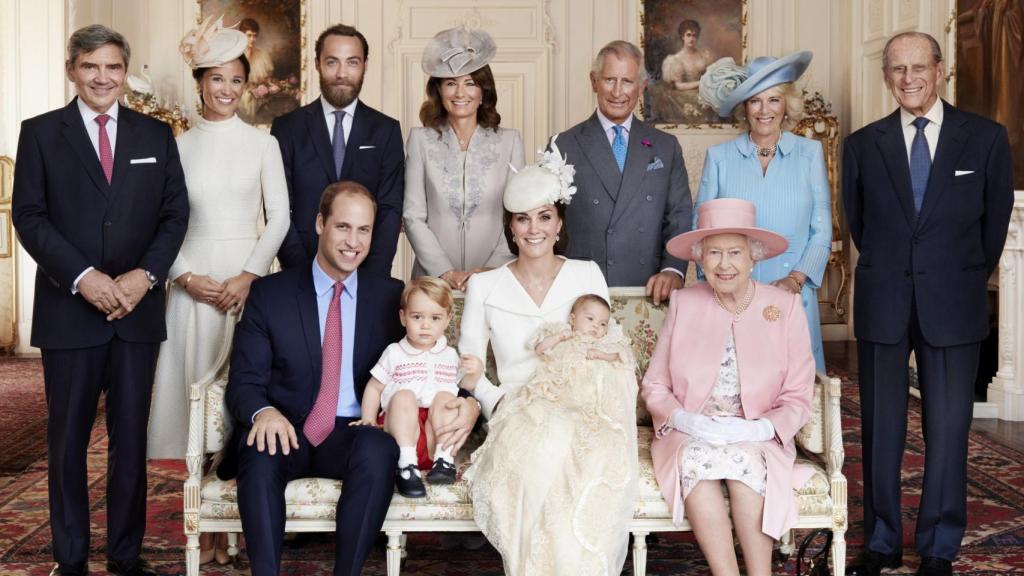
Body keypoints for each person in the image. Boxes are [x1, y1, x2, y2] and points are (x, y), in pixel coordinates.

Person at [11, 24, 189, 576]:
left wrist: (146, 277)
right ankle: (70, 560)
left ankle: (125, 554)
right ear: (72, 70)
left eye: (112, 67)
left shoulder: (155, 136)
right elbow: (30, 217)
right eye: (91, 66)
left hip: (137, 314)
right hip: (70, 312)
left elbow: (175, 214)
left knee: (130, 440)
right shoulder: (40, 133)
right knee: (66, 443)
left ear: (125, 72)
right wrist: (84, 276)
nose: (102, 77)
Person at [842, 32, 1014, 576]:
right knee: (880, 427)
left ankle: (939, 545)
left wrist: (951, 276)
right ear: (886, 75)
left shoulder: (985, 139)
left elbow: (993, 229)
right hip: (884, 299)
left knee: (947, 429)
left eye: (919, 67)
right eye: (897, 68)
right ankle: (882, 540)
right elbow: (860, 223)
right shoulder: (863, 145)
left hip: (954, 301)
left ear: (941, 71)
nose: (908, 78)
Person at [146, 16, 290, 563]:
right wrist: (186, 277)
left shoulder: (263, 145)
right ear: (200, 82)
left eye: (236, 80)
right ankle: (203, 526)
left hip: (247, 284)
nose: (227, 89)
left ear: (244, 85)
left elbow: (278, 218)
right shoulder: (175, 146)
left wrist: (249, 276)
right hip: (192, 284)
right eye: (217, 79)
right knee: (193, 400)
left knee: (242, 398)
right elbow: (164, 222)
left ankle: (239, 518)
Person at [457, 143, 637, 575]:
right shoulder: (486, 287)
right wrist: (495, 401)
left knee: (572, 453)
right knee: (539, 450)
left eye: (544, 216)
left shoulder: (586, 274)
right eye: (522, 219)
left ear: (559, 223)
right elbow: (468, 364)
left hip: (584, 408)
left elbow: (613, 348)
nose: (533, 229)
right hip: (518, 409)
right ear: (511, 227)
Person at [224, 182, 403, 576]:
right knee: (257, 446)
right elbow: (244, 382)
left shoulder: (391, 297)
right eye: (343, 227)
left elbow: (421, 360)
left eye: (364, 230)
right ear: (320, 223)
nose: (353, 241)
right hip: (287, 429)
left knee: (378, 449)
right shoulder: (270, 294)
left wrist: (465, 399)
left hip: (353, 430)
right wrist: (264, 412)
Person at [642, 198, 815, 576]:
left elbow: (800, 393)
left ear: (753, 257)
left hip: (756, 430)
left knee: (745, 466)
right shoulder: (684, 302)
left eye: (734, 252)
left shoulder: (783, 306)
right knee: (699, 466)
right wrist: (687, 420)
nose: (724, 264)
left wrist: (760, 428)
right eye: (714, 253)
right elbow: (654, 384)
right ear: (700, 260)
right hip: (692, 431)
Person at [467, 292, 637, 575]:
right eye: (590, 319)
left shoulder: (604, 345)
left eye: (603, 323)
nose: (596, 327)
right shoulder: (563, 335)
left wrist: (599, 354)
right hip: (551, 397)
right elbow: (541, 348)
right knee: (535, 437)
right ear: (573, 319)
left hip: (584, 405)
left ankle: (565, 545)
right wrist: (561, 338)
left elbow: (620, 359)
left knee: (583, 449)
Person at [695, 50, 831, 371]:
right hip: (734, 293)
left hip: (793, 294)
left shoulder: (809, 154)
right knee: (738, 389)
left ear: (787, 105)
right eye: (755, 101)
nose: (764, 110)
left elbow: (822, 229)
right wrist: (721, 285)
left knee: (795, 390)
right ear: (745, 108)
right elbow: (702, 234)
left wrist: (796, 280)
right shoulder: (719, 158)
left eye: (774, 100)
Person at [554, 40, 692, 303]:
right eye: (609, 80)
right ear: (594, 81)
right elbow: (547, 222)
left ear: (641, 87)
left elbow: (679, 216)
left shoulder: (666, 147)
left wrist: (673, 269)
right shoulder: (562, 145)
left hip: (649, 292)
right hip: (580, 293)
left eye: (627, 82)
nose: (617, 92)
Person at [272, 23, 404, 275]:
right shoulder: (287, 128)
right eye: (332, 62)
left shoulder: (386, 130)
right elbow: (278, 208)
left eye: (352, 62)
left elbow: (390, 209)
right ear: (317, 64)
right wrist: (301, 272)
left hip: (366, 273)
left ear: (365, 66)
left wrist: (372, 276)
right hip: (300, 272)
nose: (342, 73)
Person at [404, 27, 524, 290]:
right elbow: (413, 216)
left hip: (495, 277)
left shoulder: (510, 142)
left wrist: (490, 272)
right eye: (450, 83)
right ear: (438, 90)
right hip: (432, 281)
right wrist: (444, 272)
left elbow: (518, 215)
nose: (460, 93)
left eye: (470, 83)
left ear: (483, 92)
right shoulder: (420, 140)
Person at [350, 276, 462, 497]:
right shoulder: (395, 352)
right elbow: (374, 388)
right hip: (402, 432)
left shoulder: (450, 355)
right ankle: (406, 467)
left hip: (434, 436)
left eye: (435, 318)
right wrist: (368, 419)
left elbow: (462, 389)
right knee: (403, 397)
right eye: (417, 317)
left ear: (448, 320)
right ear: (403, 317)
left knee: (446, 399)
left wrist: (474, 372)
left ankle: (444, 461)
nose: (426, 325)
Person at [237, 17, 275, 120]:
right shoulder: (236, 55)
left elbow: (268, 78)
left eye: (254, 36)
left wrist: (267, 86)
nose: (252, 39)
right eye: (249, 35)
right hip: (241, 93)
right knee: (247, 100)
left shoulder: (263, 55)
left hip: (260, 92)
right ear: (242, 36)